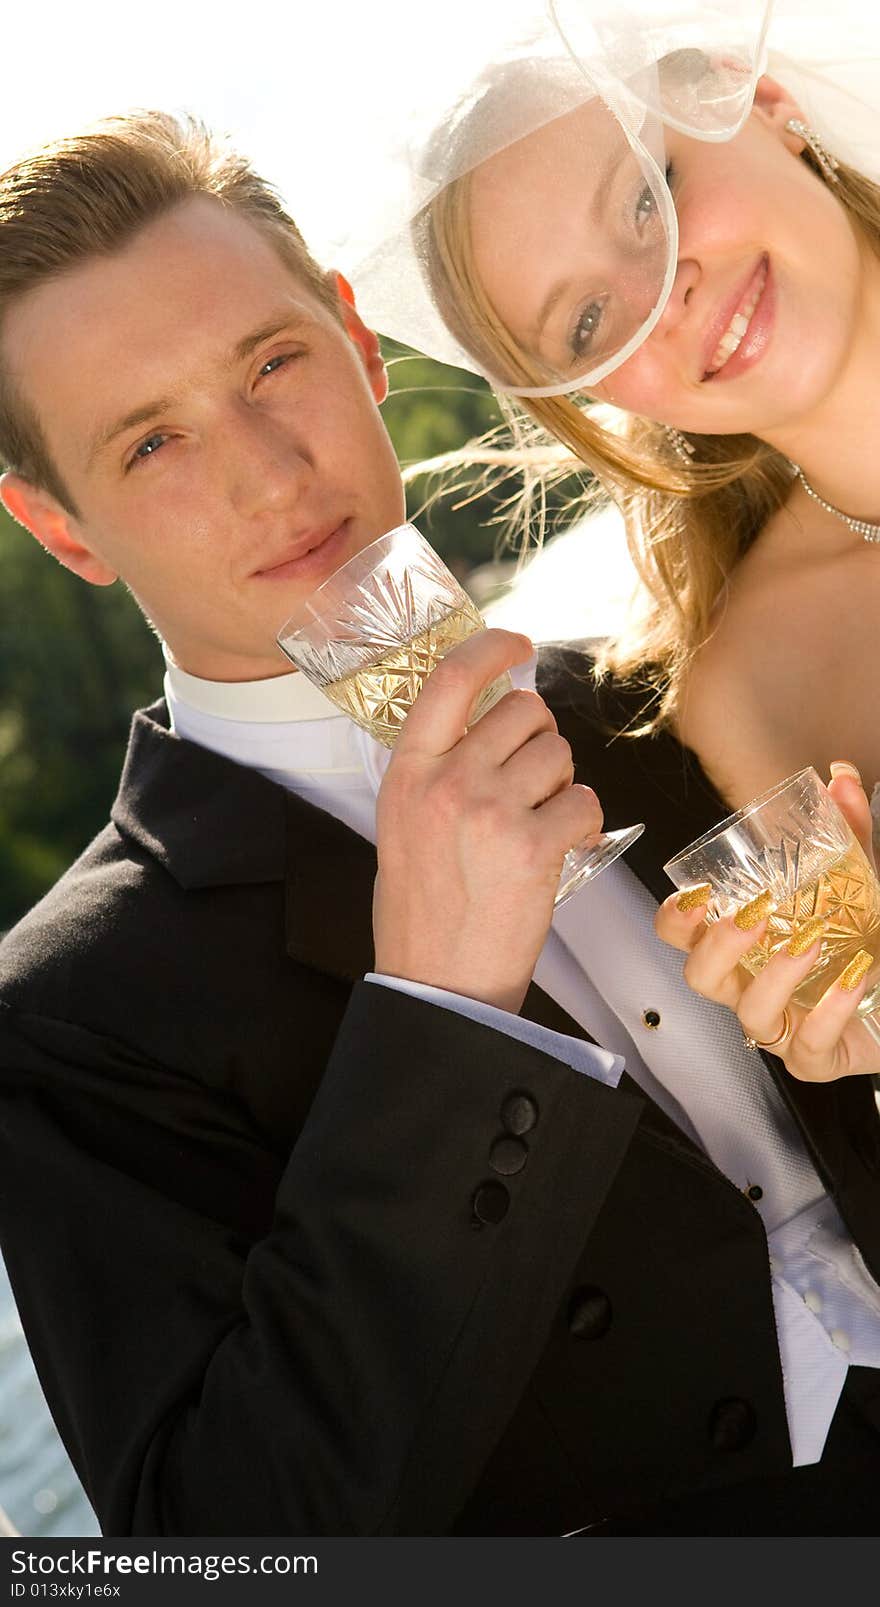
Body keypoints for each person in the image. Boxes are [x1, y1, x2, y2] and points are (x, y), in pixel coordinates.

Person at [0, 107, 880, 1544]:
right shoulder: (64, 1021)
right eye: (151, 442)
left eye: (273, 363)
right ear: (65, 532)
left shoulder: (654, 700)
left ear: (356, 341)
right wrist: (444, 1018)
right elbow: (226, 1550)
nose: (269, 473)